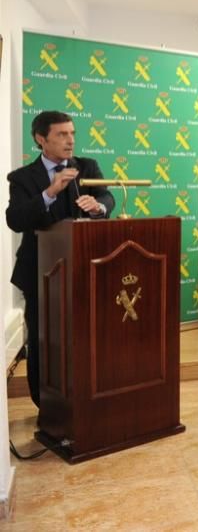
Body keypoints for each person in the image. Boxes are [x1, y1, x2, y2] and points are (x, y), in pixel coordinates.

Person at [7, 111, 116, 407]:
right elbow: (15, 219)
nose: (70, 141)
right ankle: (46, 405)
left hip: (84, 270)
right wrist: (50, 192)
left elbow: (108, 198)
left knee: (84, 337)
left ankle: (86, 398)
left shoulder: (86, 167)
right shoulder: (23, 178)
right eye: (62, 135)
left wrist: (98, 207)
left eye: (72, 133)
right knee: (44, 341)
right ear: (41, 139)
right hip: (40, 273)